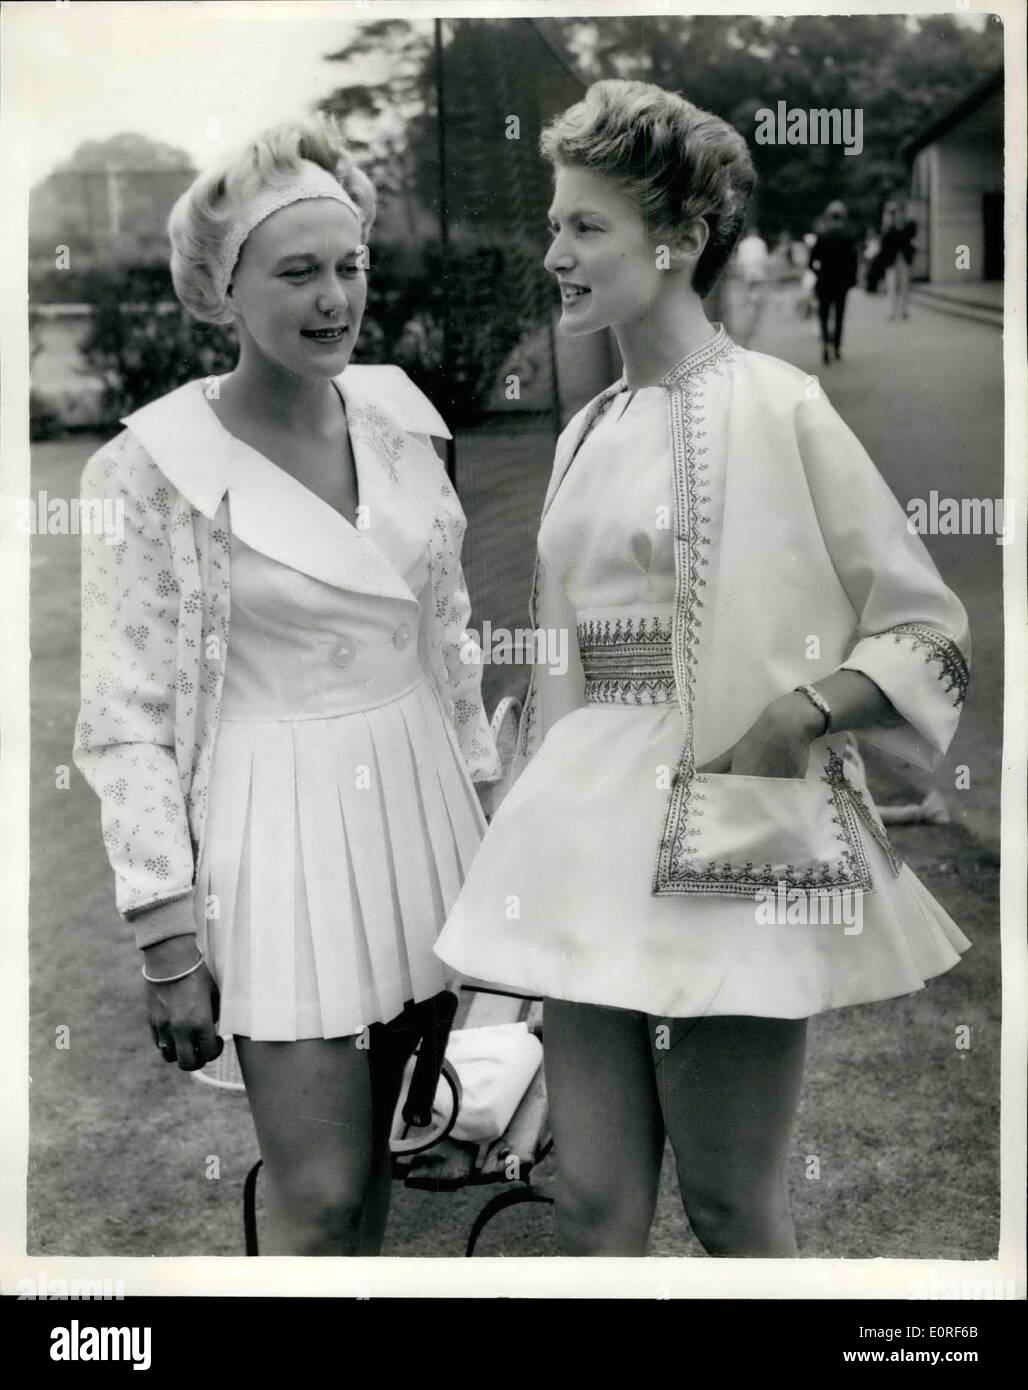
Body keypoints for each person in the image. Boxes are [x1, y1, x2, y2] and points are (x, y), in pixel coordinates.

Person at [435, 80, 971, 1257]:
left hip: (727, 833)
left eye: (585, 226)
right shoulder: (585, 429)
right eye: (553, 223)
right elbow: (565, 659)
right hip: (580, 833)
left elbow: (926, 625)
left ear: (674, 241)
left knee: (732, 1210)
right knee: (590, 1205)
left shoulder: (779, 408)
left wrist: (797, 715)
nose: (552, 253)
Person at [73, 114, 499, 1255]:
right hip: (277, 846)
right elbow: (125, 721)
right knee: (313, 1195)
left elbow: (446, 641)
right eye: (297, 272)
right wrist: (167, 941)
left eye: (349, 266)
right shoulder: (150, 467)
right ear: (222, 290)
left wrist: (490, 814)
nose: (334, 299)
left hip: (420, 826)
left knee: (373, 1185)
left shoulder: (405, 419)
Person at [809, 200, 859, 363]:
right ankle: (837, 347)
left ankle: (825, 344)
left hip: (824, 281)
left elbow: (811, 262)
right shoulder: (848, 237)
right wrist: (852, 280)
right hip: (841, 283)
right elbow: (853, 262)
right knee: (839, 315)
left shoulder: (822, 236)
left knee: (823, 315)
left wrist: (818, 273)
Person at [880, 199, 917, 320]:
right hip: (891, 261)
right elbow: (885, 244)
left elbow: (912, 234)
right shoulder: (888, 228)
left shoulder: (908, 225)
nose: (896, 215)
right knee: (891, 285)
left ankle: (904, 309)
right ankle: (892, 310)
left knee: (905, 285)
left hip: (904, 260)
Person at [733, 225, 769, 346]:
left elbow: (740, 260)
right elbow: (764, 258)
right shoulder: (760, 243)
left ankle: (749, 302)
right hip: (758, 269)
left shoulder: (744, 244)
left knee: (748, 287)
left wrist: (739, 271)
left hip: (747, 269)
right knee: (756, 287)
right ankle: (755, 301)